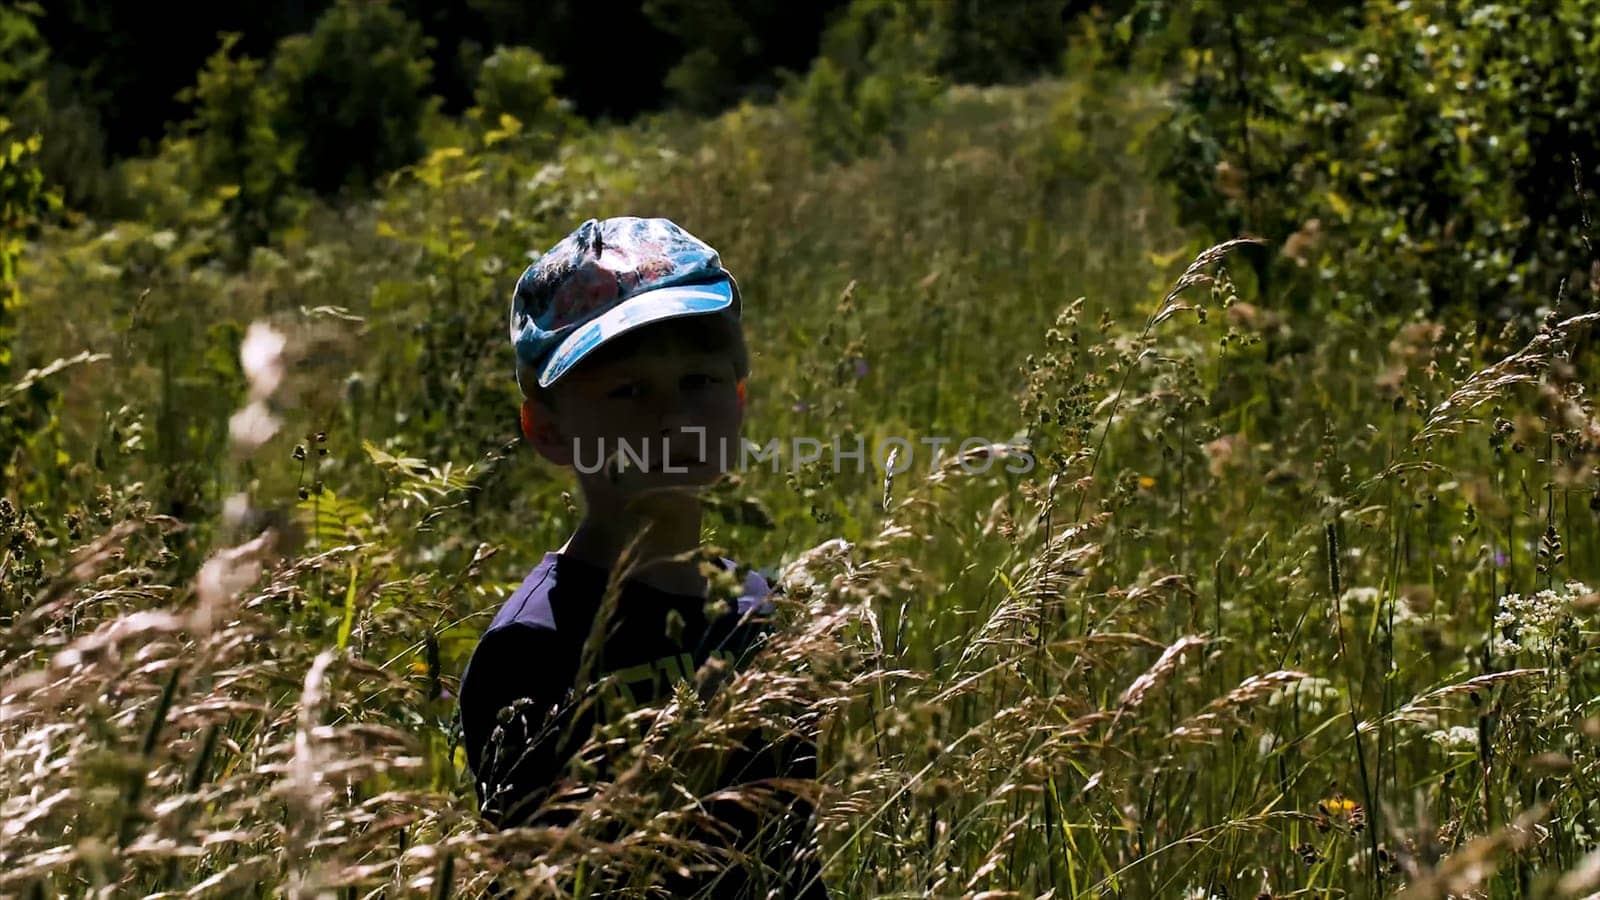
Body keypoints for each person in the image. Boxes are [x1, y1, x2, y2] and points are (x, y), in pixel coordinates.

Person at [458, 216, 828, 898]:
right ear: (547, 430)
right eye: (628, 391)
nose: (673, 417)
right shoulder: (535, 646)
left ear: (739, 401)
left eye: (699, 382)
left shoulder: (765, 611)